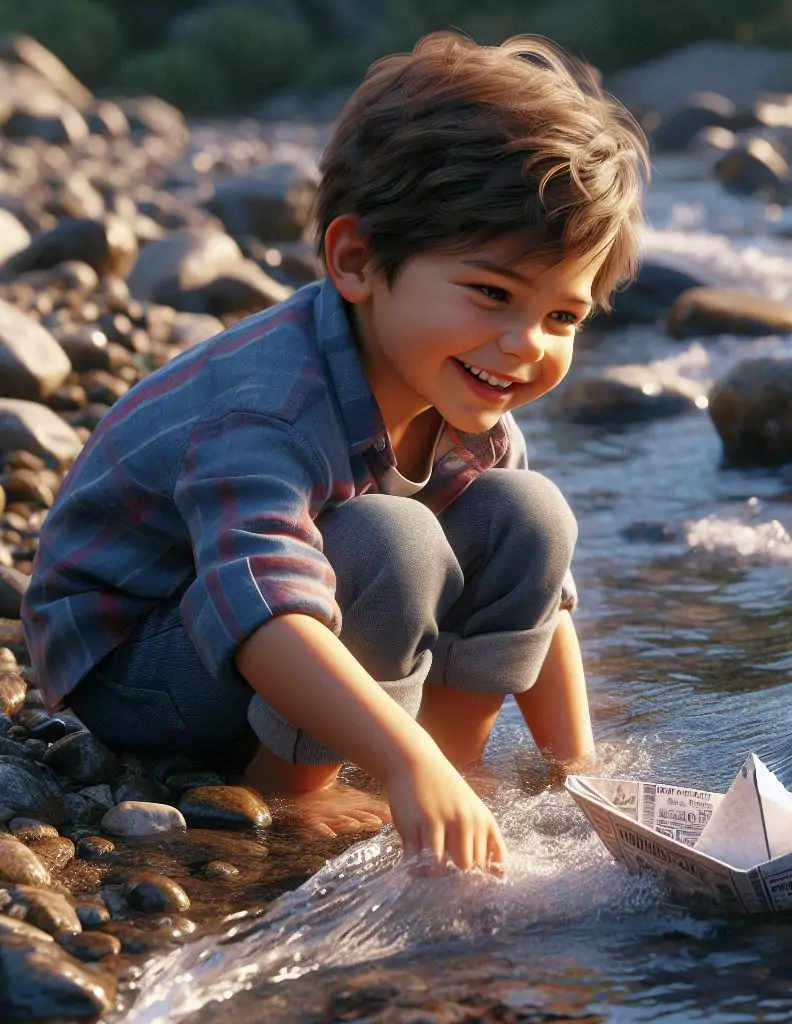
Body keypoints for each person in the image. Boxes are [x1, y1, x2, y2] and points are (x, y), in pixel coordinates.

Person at [22, 32, 649, 874]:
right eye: (492, 293)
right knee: (393, 539)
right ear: (355, 260)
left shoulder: (472, 396)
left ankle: (450, 767)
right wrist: (401, 763)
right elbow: (261, 608)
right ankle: (293, 782)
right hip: (143, 656)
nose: (523, 345)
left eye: (562, 317)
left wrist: (581, 773)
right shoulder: (271, 409)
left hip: (278, 621)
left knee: (531, 515)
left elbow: (544, 601)